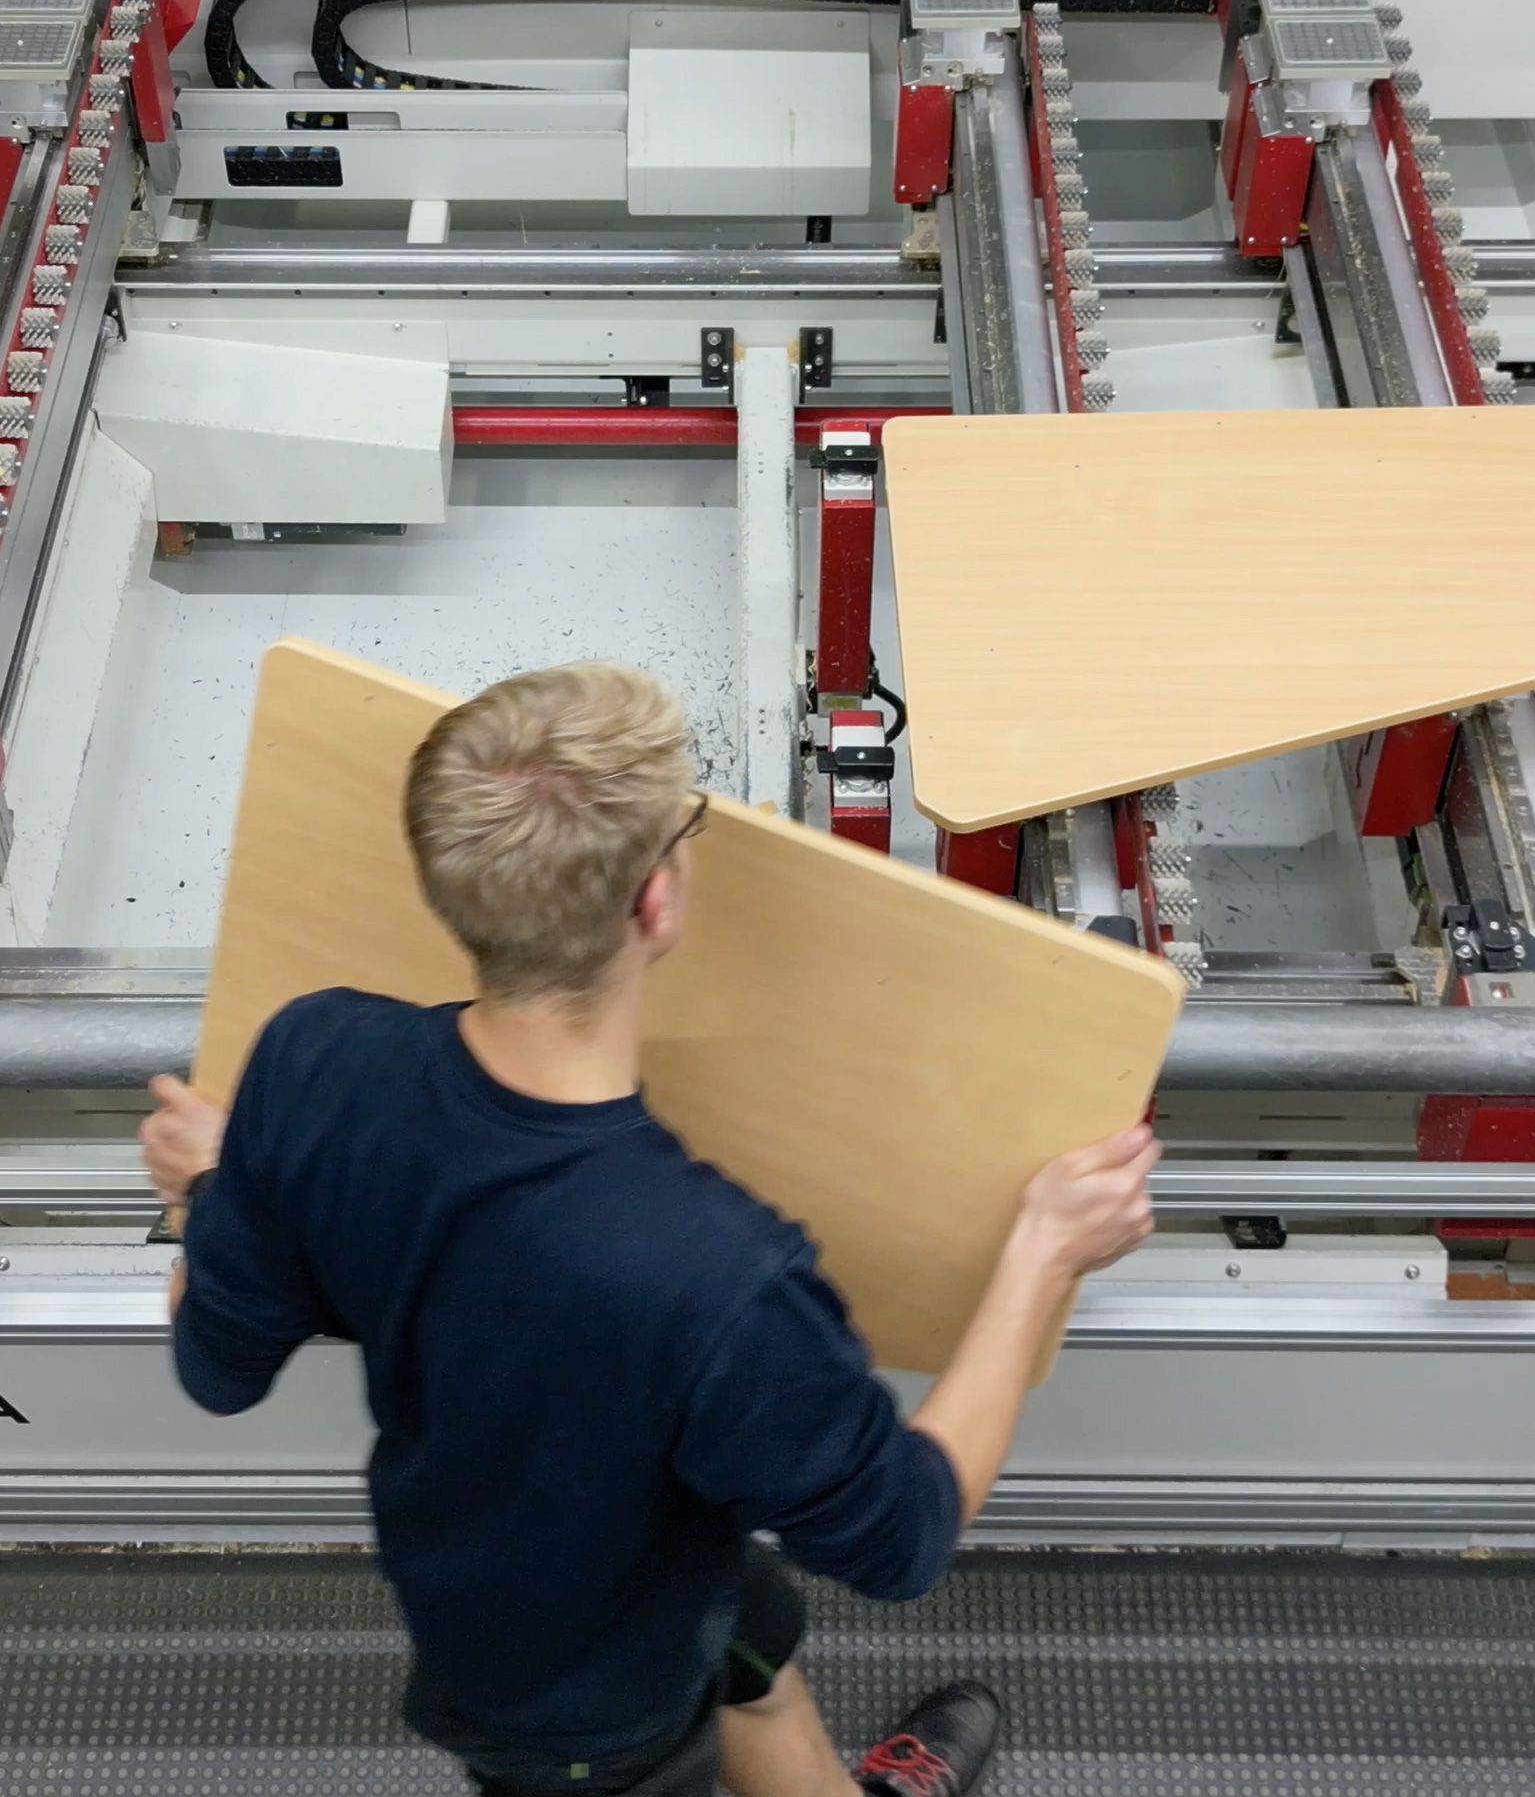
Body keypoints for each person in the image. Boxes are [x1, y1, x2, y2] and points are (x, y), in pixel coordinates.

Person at [139, 659, 1160, 1797]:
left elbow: (217, 1366)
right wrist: (1040, 1255)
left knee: (754, 1664)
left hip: (574, 1555)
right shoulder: (721, 1279)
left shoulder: (310, 1056)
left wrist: (213, 1189)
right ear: (655, 902)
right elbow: (904, 1532)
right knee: (676, 1723)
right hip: (575, 1709)